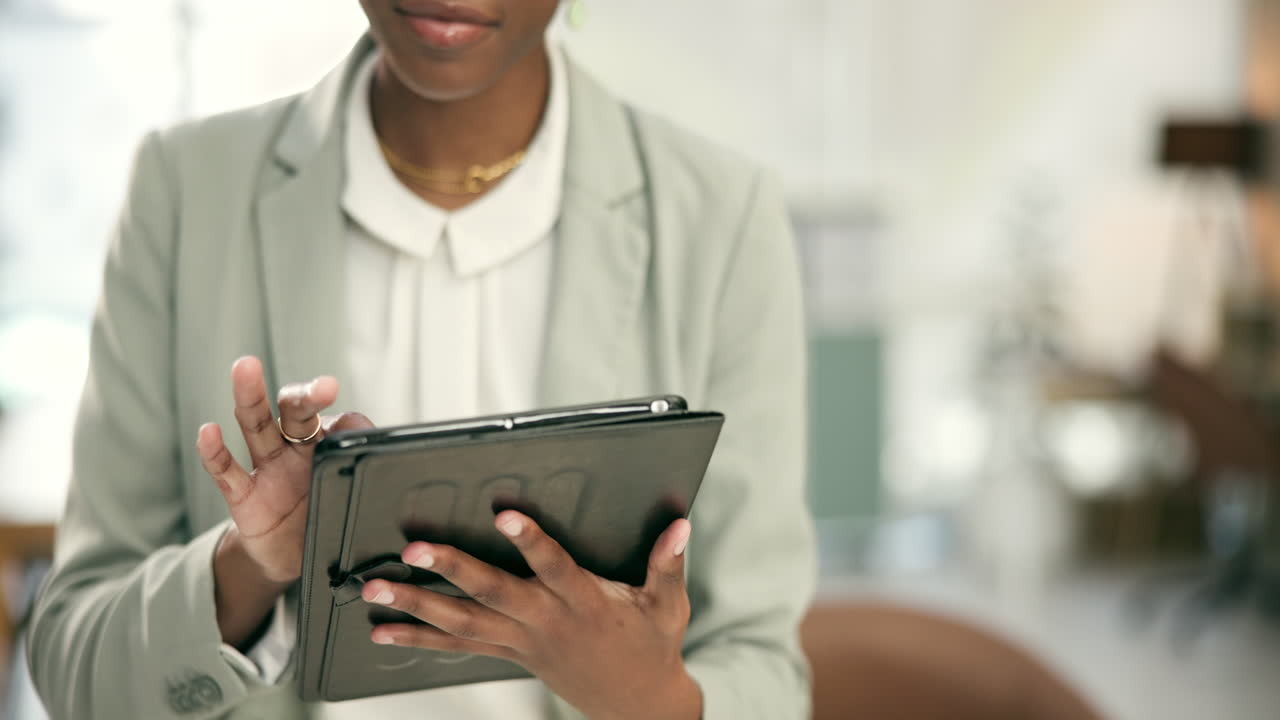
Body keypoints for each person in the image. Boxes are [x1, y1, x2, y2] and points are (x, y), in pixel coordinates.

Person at [26, 1, 816, 718]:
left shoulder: (723, 219)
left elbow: (765, 670)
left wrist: (652, 701)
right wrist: (245, 569)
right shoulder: (184, 191)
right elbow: (72, 669)